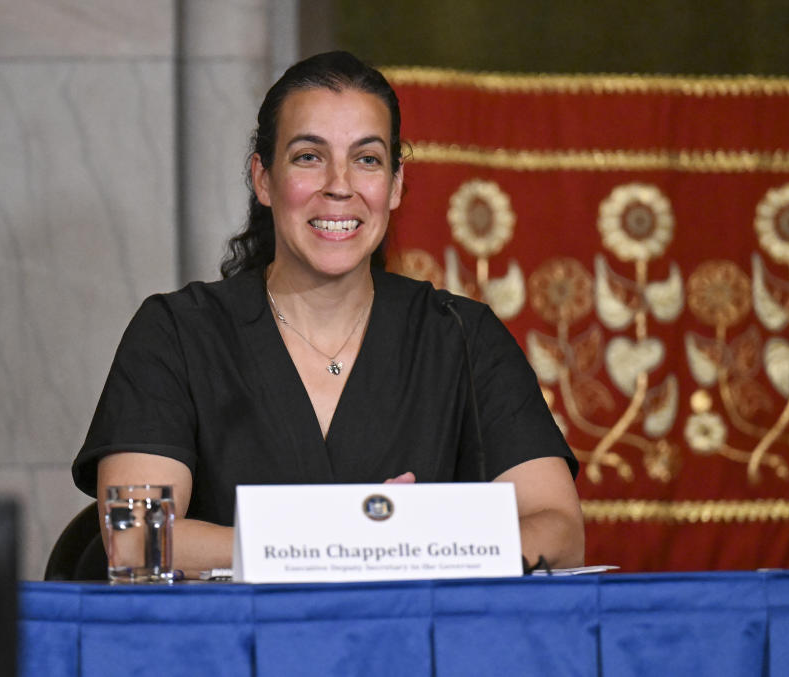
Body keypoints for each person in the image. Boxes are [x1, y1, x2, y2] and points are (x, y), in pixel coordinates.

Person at [73, 51, 584, 573]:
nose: (340, 185)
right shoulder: (177, 333)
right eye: (308, 156)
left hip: (412, 648)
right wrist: (348, 540)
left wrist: (421, 541)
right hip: (233, 648)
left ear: (396, 184)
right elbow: (136, 541)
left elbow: (559, 530)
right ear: (263, 179)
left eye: (367, 159)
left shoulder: (461, 336)